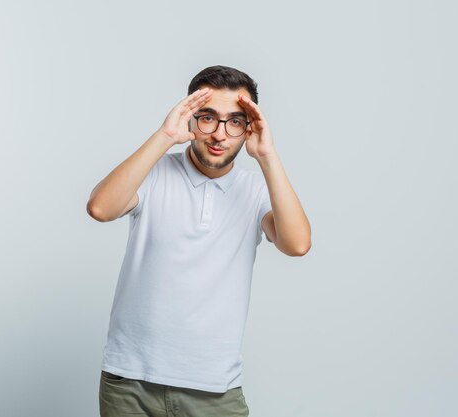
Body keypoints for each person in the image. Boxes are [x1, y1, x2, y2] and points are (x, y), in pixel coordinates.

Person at [87, 65, 311, 417]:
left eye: (235, 121)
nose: (219, 134)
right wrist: (164, 135)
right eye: (207, 118)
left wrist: (267, 156)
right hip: (130, 382)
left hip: (214, 388)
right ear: (190, 119)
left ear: (248, 128)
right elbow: (100, 208)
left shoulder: (255, 190)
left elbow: (297, 245)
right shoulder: (153, 174)